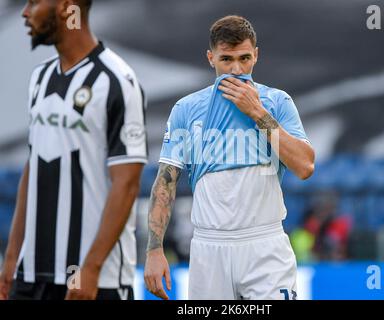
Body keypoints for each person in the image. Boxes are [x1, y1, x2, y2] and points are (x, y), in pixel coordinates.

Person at [144, 15, 314, 300]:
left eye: (245, 58)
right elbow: (166, 181)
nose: (236, 69)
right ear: (210, 58)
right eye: (226, 60)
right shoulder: (186, 109)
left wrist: (257, 113)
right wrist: (153, 249)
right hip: (209, 249)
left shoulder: (277, 102)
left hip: (265, 245)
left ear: (256, 55)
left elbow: (305, 166)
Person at [0, 0, 147, 300]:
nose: (25, 13)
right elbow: (35, 165)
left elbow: (127, 182)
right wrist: (12, 256)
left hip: (91, 280)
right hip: (32, 275)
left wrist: (90, 269)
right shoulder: (39, 78)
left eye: (34, 2)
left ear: (68, 7)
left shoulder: (117, 79)